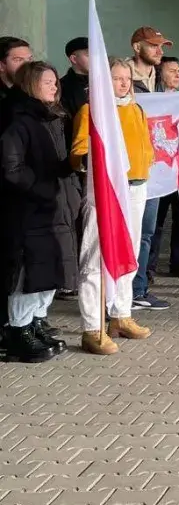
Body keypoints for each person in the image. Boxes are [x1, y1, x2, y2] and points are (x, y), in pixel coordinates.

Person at [71, 57, 155, 354]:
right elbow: (79, 151)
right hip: (104, 190)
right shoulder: (92, 111)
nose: (123, 83)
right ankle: (92, 326)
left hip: (135, 187)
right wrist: (91, 161)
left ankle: (121, 314)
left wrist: (145, 162)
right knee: (95, 256)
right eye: (116, 78)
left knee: (129, 252)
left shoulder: (136, 109)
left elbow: (145, 146)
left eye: (126, 78)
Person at [0, 62, 79, 362]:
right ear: (31, 83)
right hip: (29, 209)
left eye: (55, 82)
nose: (54, 87)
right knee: (28, 273)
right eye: (48, 82)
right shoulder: (18, 120)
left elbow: (51, 162)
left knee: (49, 269)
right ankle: (18, 331)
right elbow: (12, 169)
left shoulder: (51, 118)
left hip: (52, 208)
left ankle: (35, 322)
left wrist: (71, 165)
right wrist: (43, 189)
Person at [146, 58, 179, 280]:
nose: (178, 75)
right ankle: (149, 265)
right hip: (159, 170)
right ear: (159, 73)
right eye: (172, 71)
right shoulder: (150, 100)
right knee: (155, 221)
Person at [127, 26, 171, 93]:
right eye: (154, 46)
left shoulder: (162, 77)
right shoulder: (121, 79)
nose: (161, 52)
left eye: (161, 46)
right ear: (137, 47)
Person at [59, 37, 90, 122]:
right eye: (89, 55)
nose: (94, 58)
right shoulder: (61, 87)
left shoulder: (106, 82)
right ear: (74, 59)